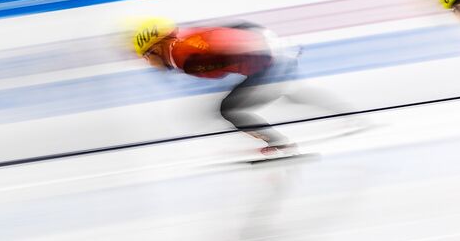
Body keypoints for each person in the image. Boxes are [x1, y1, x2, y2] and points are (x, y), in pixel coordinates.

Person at [131, 18, 357, 161]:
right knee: (289, 93)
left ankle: (281, 145)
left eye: (146, 57)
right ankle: (350, 114)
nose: (148, 64)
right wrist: (274, 44)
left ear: (157, 48)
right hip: (269, 53)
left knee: (230, 109)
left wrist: (268, 50)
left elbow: (223, 48)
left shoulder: (184, 55)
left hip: (268, 59)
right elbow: (238, 27)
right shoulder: (186, 40)